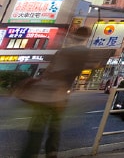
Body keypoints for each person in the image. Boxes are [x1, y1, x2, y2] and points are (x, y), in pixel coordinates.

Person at [17, 27, 95, 158]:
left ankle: (31, 153)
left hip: (43, 94)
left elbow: (49, 72)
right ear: (87, 37)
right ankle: (51, 153)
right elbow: (72, 72)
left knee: (37, 129)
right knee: (54, 128)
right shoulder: (83, 52)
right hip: (58, 95)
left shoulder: (62, 51)